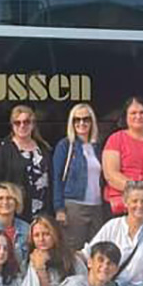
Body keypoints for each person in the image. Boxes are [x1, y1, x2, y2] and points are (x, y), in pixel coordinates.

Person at [51, 103, 105, 253]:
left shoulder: (97, 147)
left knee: (96, 251)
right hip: (74, 205)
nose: (81, 123)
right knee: (73, 251)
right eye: (77, 119)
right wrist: (59, 208)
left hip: (97, 206)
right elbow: (57, 178)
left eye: (86, 119)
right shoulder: (65, 145)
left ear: (92, 122)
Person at [0, 104, 52, 222]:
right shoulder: (3, 148)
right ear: (12, 125)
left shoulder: (44, 148)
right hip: (16, 211)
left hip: (43, 209)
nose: (22, 126)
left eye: (26, 122)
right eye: (17, 122)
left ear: (33, 124)